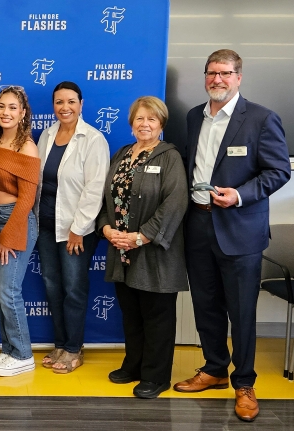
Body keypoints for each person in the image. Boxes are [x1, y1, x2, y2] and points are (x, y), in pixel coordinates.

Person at [174, 49, 290, 421]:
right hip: (197, 224)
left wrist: (240, 195)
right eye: (211, 73)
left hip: (240, 228)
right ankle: (214, 369)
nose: (217, 80)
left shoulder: (260, 119)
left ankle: (244, 382)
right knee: (205, 304)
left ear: (239, 77)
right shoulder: (194, 116)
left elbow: (277, 171)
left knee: (241, 311)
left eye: (225, 73)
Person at [97, 96, 188, 399]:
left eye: (151, 119)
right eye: (139, 118)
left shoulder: (169, 156)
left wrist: (141, 236)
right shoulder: (122, 154)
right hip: (120, 248)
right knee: (131, 314)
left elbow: (176, 202)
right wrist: (106, 228)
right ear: (131, 122)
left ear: (161, 124)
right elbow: (105, 197)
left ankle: (156, 375)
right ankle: (133, 365)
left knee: (157, 316)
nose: (144, 124)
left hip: (153, 251)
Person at [34, 81, 110, 374]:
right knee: (52, 287)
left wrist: (78, 228)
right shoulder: (47, 135)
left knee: (74, 289)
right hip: (45, 226)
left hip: (75, 230)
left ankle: (75, 348)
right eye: (58, 102)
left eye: (70, 102)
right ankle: (61, 343)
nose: (64, 108)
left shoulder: (93, 139)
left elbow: (95, 189)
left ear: (81, 104)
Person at [0, 86, 40, 377]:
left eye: (12, 107)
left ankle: (23, 354)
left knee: (9, 291)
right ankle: (8, 350)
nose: (6, 112)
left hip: (14, 219)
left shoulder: (27, 146)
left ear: (23, 113)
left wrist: (9, 234)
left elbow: (28, 199)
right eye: (1, 107)